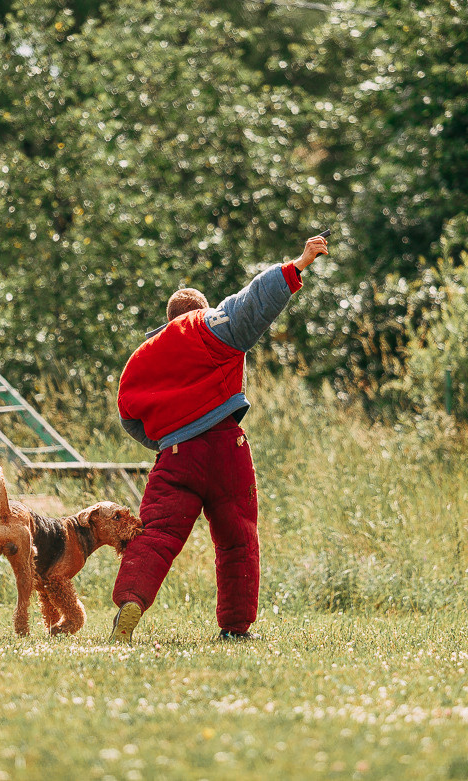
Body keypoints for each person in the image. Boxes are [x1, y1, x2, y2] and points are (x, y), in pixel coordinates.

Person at [108, 234, 329, 642]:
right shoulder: (212, 324)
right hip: (228, 449)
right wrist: (298, 264)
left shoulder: (144, 355)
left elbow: (128, 415)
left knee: (156, 533)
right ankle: (235, 627)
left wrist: (166, 441)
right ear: (203, 310)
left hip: (177, 454)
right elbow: (255, 299)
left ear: (168, 319)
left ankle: (131, 599)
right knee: (237, 538)